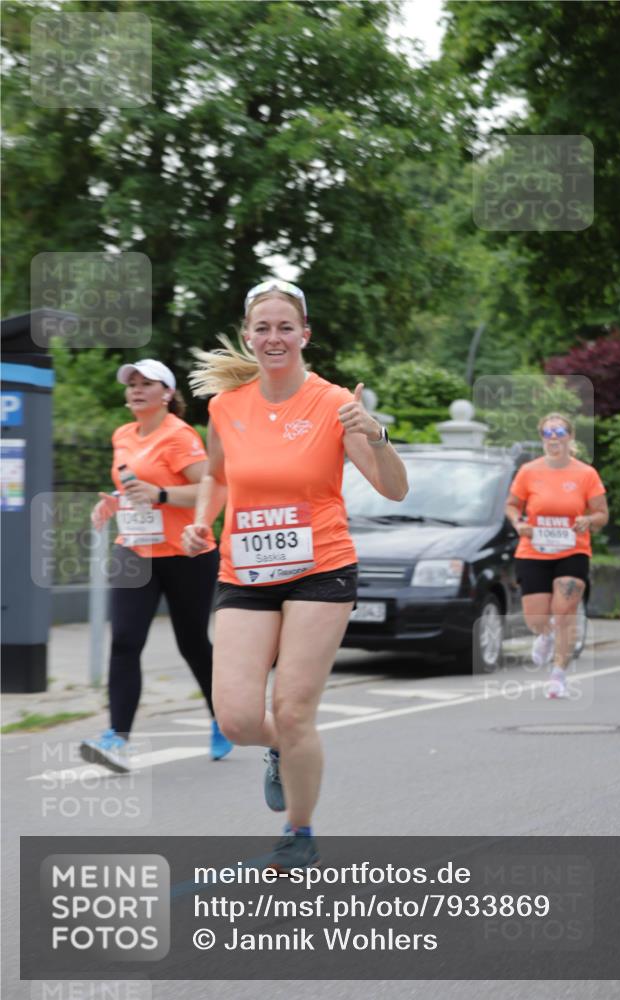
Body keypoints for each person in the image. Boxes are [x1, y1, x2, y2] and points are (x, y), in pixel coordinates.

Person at [182, 278, 408, 870]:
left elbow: (393, 486)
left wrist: (375, 434)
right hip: (246, 572)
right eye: (263, 328)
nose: (274, 337)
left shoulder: (334, 403)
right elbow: (219, 475)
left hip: (321, 570)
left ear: (304, 334)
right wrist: (202, 521)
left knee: (292, 708)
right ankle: (286, 749)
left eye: (286, 327)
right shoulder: (225, 407)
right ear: (249, 337)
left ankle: (298, 834)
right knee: (233, 717)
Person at [80, 359, 232, 771]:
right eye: (131, 383)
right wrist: (112, 502)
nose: (136, 389)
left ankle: (223, 718)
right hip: (134, 549)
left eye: (147, 383)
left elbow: (211, 486)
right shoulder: (123, 435)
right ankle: (117, 738)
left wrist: (160, 495)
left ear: (167, 393)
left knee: (193, 644)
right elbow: (131, 487)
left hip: (185, 553)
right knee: (125, 640)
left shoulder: (179, 436)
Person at [506, 413, 608, 699]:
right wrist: (518, 523)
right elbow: (512, 506)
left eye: (560, 432)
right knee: (535, 616)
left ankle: (558, 675)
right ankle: (544, 634)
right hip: (534, 549)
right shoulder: (528, 471)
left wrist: (589, 521)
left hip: (572, 550)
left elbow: (602, 514)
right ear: (542, 439)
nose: (554, 437)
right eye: (548, 433)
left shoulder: (586, 474)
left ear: (570, 437)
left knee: (565, 611)